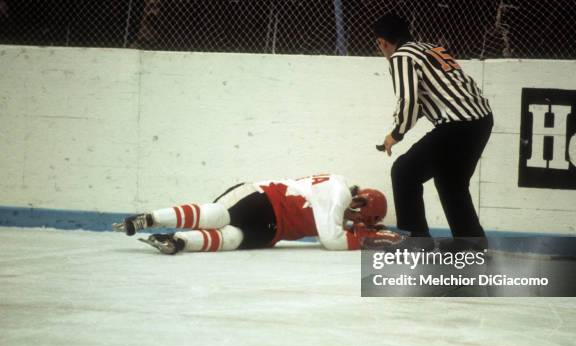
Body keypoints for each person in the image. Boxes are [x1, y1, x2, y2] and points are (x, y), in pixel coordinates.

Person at [373, 13, 493, 244]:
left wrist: (396, 134)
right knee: (451, 183)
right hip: (481, 122)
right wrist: (402, 125)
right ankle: (472, 243)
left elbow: (407, 101)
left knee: (403, 172)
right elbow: (426, 99)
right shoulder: (432, 48)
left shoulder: (400, 57)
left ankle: (416, 241)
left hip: (457, 126)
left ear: (383, 42)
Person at [113, 174, 399, 254]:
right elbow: (332, 240)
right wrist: (367, 239)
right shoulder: (338, 194)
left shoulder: (339, 201)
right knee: (218, 215)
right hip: (262, 198)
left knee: (231, 238)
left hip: (271, 228)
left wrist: (364, 234)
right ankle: (152, 218)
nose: (358, 223)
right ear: (360, 205)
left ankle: (177, 241)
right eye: (363, 219)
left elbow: (329, 231)